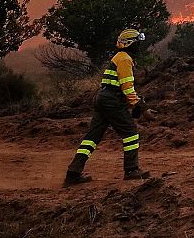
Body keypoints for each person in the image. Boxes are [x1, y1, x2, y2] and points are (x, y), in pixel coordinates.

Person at [63, 27, 149, 186]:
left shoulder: (120, 57)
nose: (139, 46)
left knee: (91, 138)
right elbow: (127, 88)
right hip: (111, 100)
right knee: (130, 132)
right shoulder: (124, 59)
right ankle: (131, 170)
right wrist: (139, 106)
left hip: (103, 98)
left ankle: (73, 173)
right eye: (137, 42)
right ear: (130, 44)